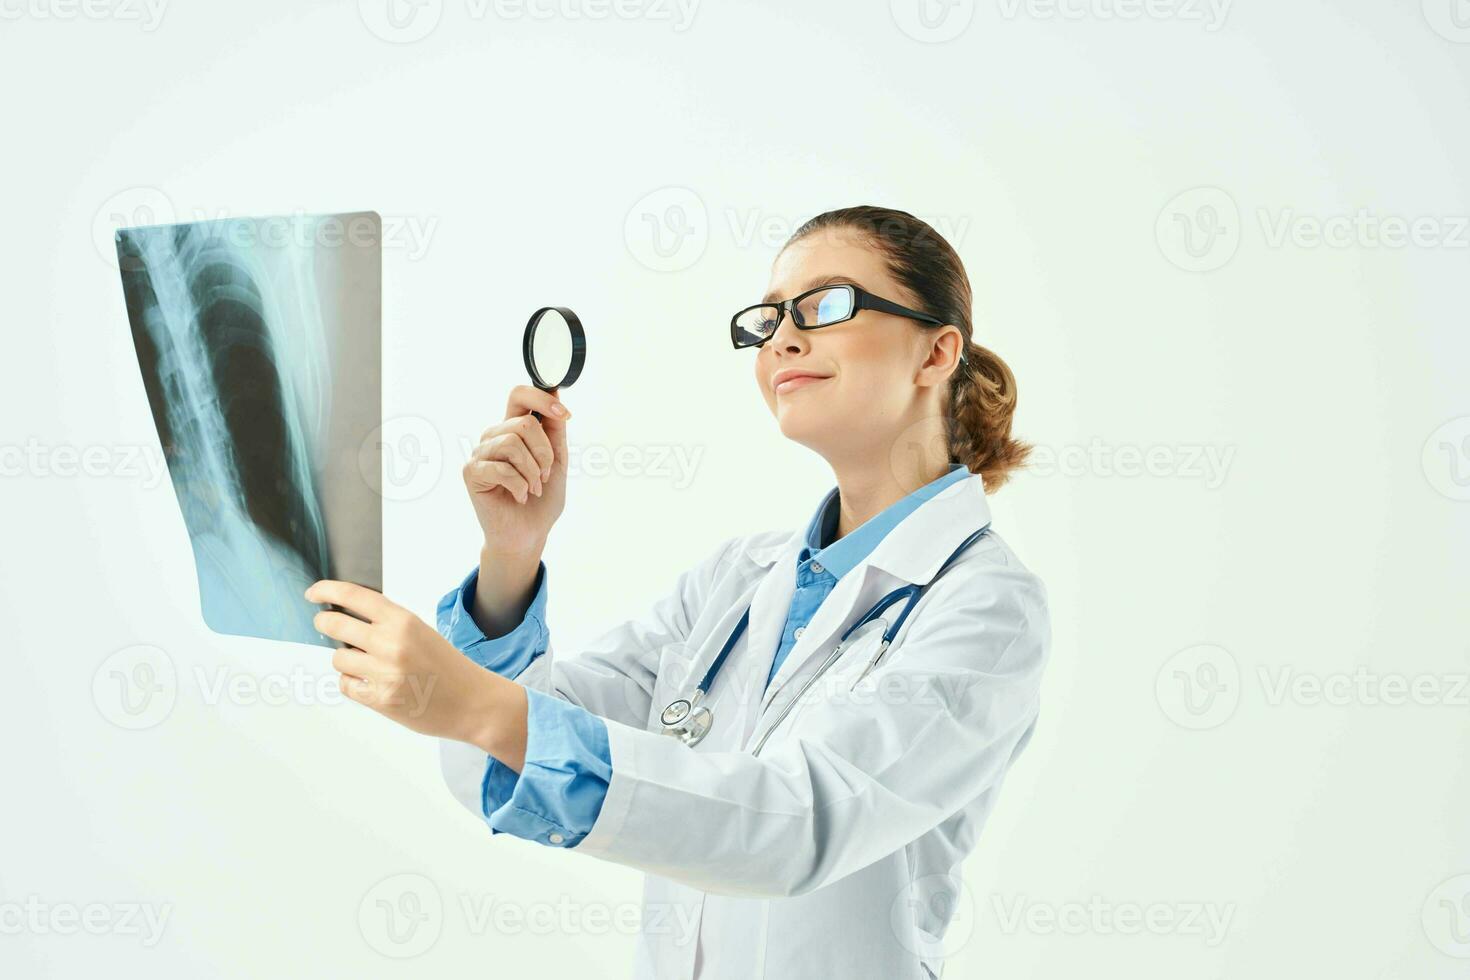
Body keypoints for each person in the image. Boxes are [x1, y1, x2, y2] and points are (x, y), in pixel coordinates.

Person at [308, 205, 1051, 979]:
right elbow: (513, 755)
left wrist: (478, 705)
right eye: (770, 318)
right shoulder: (740, 578)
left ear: (937, 353)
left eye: (828, 306)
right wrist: (511, 556)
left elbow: (799, 823)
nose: (784, 338)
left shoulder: (987, 606)